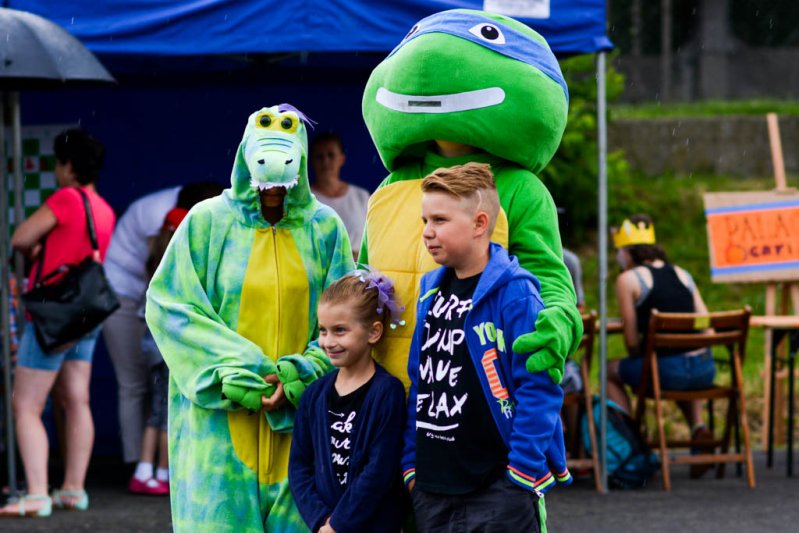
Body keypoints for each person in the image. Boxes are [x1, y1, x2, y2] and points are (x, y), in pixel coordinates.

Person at [145, 104, 353, 531]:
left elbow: (348, 312)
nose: (272, 192)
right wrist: (238, 372)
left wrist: (304, 372)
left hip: (302, 425)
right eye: (265, 180)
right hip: (218, 426)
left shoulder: (325, 228)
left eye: (282, 180)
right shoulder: (205, 222)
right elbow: (170, 306)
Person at [360, 9, 582, 396]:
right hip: (386, 394)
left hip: (475, 394)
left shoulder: (517, 188)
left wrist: (556, 323)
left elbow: (546, 275)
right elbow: (364, 278)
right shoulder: (392, 185)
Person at [403, 163, 569, 533]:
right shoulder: (430, 291)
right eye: (425, 221)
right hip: (433, 488)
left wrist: (521, 473)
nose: (428, 233)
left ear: (480, 224)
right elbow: (420, 383)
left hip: (499, 490)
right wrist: (411, 465)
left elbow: (539, 388)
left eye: (440, 221)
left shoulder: (516, 294)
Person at [0, 128, 116, 517]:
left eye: (58, 163)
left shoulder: (66, 198)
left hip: (54, 315)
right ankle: (73, 489)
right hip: (86, 313)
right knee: (77, 399)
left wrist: (34, 248)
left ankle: (35, 493)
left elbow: (20, 237)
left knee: (26, 404)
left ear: (68, 165)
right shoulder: (103, 207)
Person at [103, 182, 222, 466]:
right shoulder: (167, 232)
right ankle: (147, 466)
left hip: (150, 323)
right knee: (140, 389)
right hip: (125, 298)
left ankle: (148, 467)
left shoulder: (171, 229)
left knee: (158, 404)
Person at [289, 270, 405, 533]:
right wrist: (321, 521)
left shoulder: (387, 393)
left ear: (374, 332)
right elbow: (299, 467)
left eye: (340, 331)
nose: (329, 342)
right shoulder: (313, 395)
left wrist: (338, 524)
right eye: (323, 331)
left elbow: (379, 471)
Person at [606, 214, 716, 476]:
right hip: (704, 370)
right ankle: (699, 429)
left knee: (609, 371)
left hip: (665, 371)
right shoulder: (683, 274)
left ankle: (632, 441)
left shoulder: (628, 280)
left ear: (626, 251)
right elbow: (708, 326)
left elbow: (631, 342)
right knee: (678, 370)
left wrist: (642, 350)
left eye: (618, 252)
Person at [128, 206, 193, 495]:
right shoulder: (177, 264)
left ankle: (145, 469)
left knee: (156, 410)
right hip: (166, 345)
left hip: (150, 343)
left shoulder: (155, 259)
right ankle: (163, 472)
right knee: (168, 411)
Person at [309, 132, 370, 260]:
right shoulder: (305, 199)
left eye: (331, 155)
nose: (325, 161)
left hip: (359, 275)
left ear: (342, 159)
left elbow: (373, 239)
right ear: (311, 161)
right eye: (319, 156)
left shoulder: (361, 196)